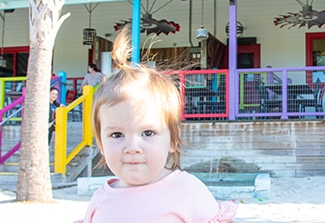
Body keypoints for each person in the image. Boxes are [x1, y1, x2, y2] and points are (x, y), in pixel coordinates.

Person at [77, 28, 237, 223]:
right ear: (101, 143)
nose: (132, 148)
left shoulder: (188, 192)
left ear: (172, 138)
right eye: (117, 135)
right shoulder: (100, 201)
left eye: (148, 132)